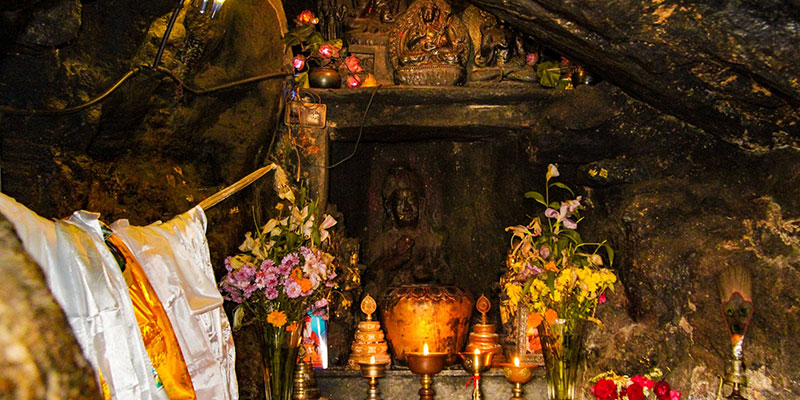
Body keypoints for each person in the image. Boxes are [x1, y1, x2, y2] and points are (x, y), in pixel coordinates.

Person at [364, 166, 453, 298]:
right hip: (393, 303)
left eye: (411, 200)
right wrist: (392, 262)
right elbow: (370, 279)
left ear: (421, 204)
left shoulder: (434, 240)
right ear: (389, 207)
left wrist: (430, 273)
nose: (407, 208)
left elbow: (448, 278)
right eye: (400, 202)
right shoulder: (380, 243)